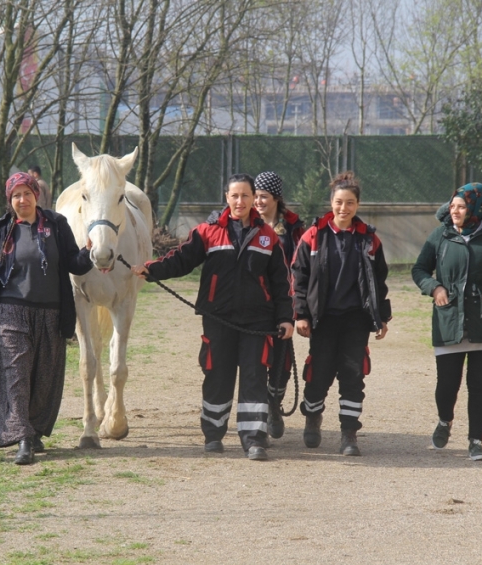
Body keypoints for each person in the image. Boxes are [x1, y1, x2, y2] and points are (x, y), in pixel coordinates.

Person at [131, 173, 294, 461]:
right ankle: (213, 433)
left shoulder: (269, 237)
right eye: (235, 195)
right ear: (226, 198)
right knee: (217, 374)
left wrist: (286, 318)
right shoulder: (207, 231)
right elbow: (181, 258)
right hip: (218, 318)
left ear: (253, 198)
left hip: (258, 322)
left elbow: (281, 283)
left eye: (246, 195)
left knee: (254, 378)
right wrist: (152, 269)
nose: (241, 201)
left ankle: (254, 439)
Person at [0, 172, 92, 465]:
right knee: (16, 375)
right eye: (16, 195)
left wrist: (90, 251)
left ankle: (36, 428)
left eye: (27, 193)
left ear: (36, 196)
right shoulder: (2, 230)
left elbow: (73, 264)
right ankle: (23, 438)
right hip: (10, 312)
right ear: (9, 200)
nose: (22, 200)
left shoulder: (56, 225)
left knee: (43, 376)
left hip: (51, 312)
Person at [411, 183, 482, 461]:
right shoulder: (440, 236)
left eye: (461, 206)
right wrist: (434, 288)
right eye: (453, 205)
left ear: (476, 208)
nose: (455, 210)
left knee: (478, 384)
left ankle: (476, 442)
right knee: (447, 384)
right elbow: (419, 269)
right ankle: (445, 420)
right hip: (449, 319)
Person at [291, 171, 391, 457]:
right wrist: (301, 314)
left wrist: (382, 316)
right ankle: (312, 415)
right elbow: (298, 277)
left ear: (357, 205)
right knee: (318, 374)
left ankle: (349, 434)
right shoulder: (314, 236)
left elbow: (379, 281)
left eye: (349, 203)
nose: (343, 208)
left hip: (355, 320)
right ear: (331, 203)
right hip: (322, 319)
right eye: (338, 202)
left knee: (352, 375)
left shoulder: (370, 240)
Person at [253, 171, 305, 439]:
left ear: (275, 198)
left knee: (282, 364)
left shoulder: (295, 229)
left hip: (284, 304)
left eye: (263, 196)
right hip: (254, 304)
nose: (258, 202)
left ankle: (275, 404)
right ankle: (260, 414)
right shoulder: (246, 224)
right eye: (256, 196)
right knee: (255, 361)